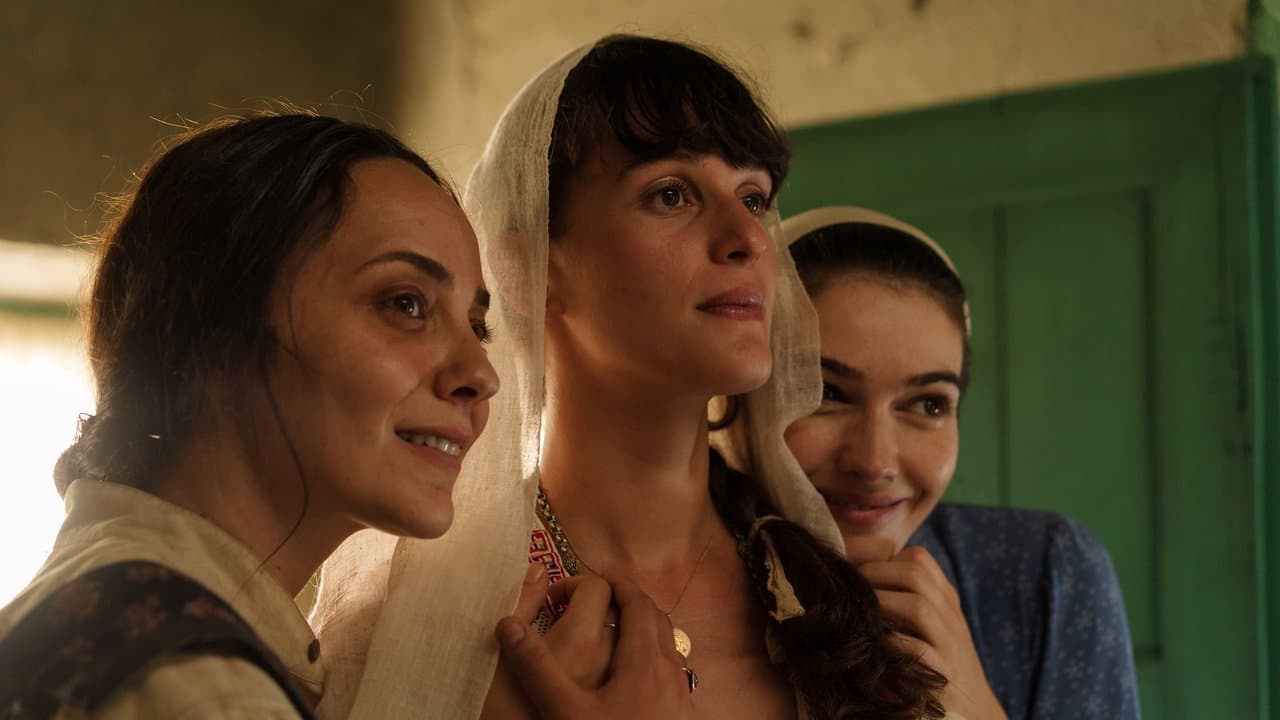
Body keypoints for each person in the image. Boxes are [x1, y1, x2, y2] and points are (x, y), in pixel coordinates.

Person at [316, 35, 958, 720]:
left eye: (753, 198)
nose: (747, 238)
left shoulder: (836, 598)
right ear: (527, 267)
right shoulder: (436, 615)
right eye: (672, 194)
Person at [0, 112, 505, 718]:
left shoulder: (107, 608)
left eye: (478, 328)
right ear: (214, 327)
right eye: (405, 304)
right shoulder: (199, 689)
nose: (482, 376)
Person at [782, 205, 1142, 719]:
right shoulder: (678, 598)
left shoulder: (1044, 575)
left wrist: (972, 702)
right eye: (827, 392)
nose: (875, 463)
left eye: (928, 404)